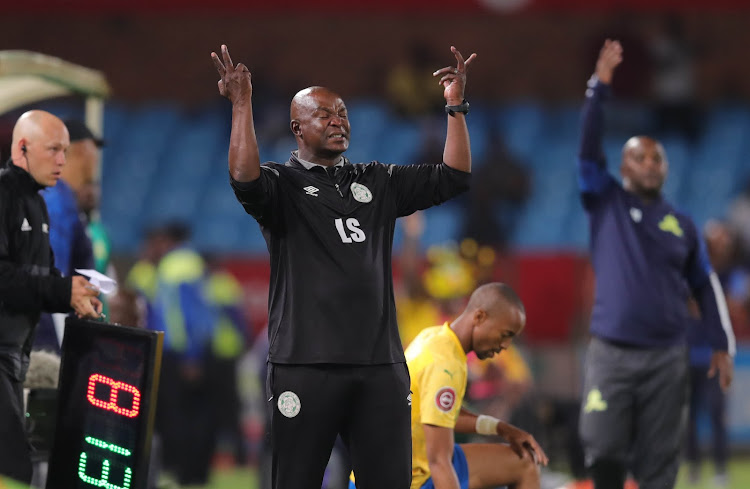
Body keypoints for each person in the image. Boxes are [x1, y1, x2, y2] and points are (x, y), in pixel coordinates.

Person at [211, 43, 475, 489]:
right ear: (297, 127)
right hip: (304, 365)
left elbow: (455, 175)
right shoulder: (282, 184)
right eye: (325, 115)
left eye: (343, 113)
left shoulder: (378, 180)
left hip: (378, 366)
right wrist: (242, 105)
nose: (339, 121)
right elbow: (243, 177)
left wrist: (455, 107)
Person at [576, 40, 735, 489]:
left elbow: (705, 285)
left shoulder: (682, 225)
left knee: (660, 465)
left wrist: (721, 341)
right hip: (611, 352)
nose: (649, 162)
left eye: (656, 158)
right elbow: (587, 149)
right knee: (602, 447)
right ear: (623, 167)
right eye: (639, 156)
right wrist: (598, 89)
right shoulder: (604, 199)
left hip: (667, 357)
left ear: (665, 170)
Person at [350, 283, 547, 489]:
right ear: (479, 317)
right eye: (505, 334)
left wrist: (502, 429)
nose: (506, 345)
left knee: (524, 462)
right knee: (523, 465)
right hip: (405, 478)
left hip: (391, 465)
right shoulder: (445, 365)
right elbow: (439, 463)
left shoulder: (437, 337)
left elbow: (439, 415)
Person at [0, 110, 101, 484]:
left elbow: (39, 279)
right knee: (14, 466)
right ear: (23, 148)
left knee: (20, 465)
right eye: (54, 150)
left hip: (15, 354)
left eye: (65, 151)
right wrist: (62, 290)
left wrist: (73, 296)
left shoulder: (38, 203)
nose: (63, 160)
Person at [35, 120, 100, 352]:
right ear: (82, 149)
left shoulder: (61, 197)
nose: (97, 159)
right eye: (95, 149)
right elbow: (53, 275)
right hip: (43, 330)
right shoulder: (54, 199)